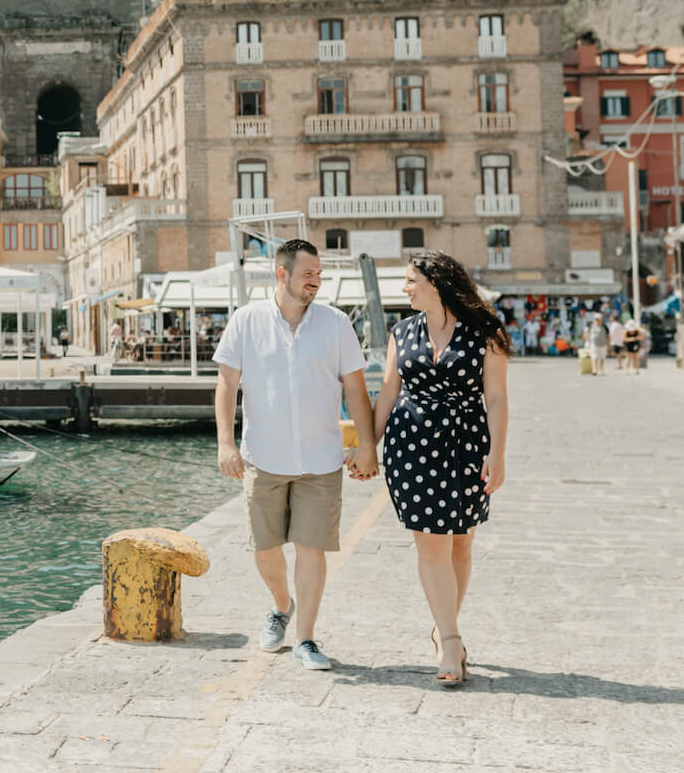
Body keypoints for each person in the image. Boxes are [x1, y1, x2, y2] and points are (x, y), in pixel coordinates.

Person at [214, 239, 377, 672]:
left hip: (322, 461)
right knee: (265, 548)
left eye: (319, 275)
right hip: (262, 458)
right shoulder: (245, 321)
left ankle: (305, 637)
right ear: (282, 274)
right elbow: (227, 385)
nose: (316, 283)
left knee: (312, 549)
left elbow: (356, 390)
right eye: (309, 275)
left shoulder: (337, 324)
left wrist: (367, 445)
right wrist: (225, 443)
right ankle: (280, 604)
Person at [371, 250, 509, 688]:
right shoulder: (401, 331)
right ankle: (450, 641)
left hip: (467, 445)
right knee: (431, 546)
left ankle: (442, 625)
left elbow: (498, 399)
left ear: (437, 282)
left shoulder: (487, 332)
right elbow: (388, 392)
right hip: (410, 446)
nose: (405, 288)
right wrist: (366, 448)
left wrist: (498, 454)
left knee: (461, 547)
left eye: (411, 280)